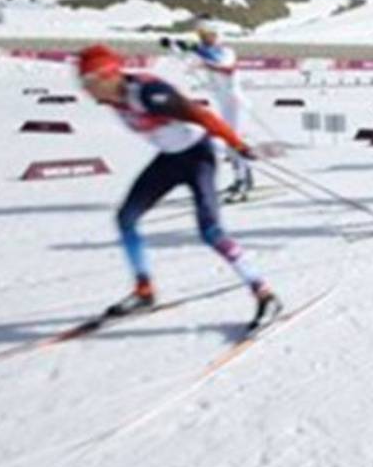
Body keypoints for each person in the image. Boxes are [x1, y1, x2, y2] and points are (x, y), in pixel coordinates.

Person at [76, 44, 280, 327]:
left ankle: (265, 293)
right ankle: (144, 291)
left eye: (89, 81)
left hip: (198, 158)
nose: (86, 90)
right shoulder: (113, 98)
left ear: (107, 75)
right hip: (169, 160)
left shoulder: (150, 94)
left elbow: (203, 116)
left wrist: (238, 146)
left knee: (211, 232)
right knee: (126, 218)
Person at [162, 17, 254, 201]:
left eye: (207, 35)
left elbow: (223, 65)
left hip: (236, 103)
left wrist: (196, 50)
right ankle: (244, 177)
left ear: (216, 35)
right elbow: (184, 56)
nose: (204, 39)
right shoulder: (205, 52)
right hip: (225, 104)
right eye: (201, 36)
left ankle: (242, 182)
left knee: (234, 142)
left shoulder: (226, 52)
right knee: (230, 143)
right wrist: (172, 45)